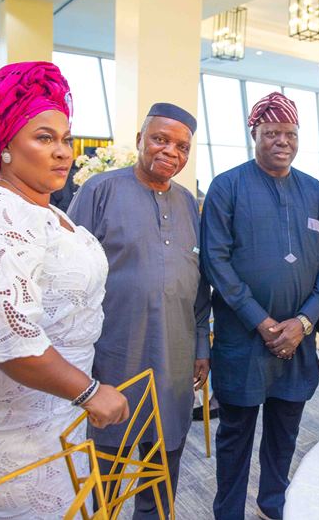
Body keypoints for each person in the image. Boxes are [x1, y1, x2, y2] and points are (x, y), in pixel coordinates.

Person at [0, 61, 129, 518]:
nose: (62, 152)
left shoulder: (49, 211)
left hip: (49, 407)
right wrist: (90, 392)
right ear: (6, 146)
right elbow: (10, 340)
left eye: (65, 139)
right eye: (44, 137)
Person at [201, 91, 319, 520]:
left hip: (297, 342)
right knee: (235, 435)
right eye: (272, 133)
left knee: (285, 434)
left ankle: (273, 506)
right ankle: (228, 513)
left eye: (290, 133)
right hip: (243, 341)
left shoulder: (316, 193)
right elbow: (216, 260)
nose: (282, 141)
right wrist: (261, 322)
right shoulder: (227, 187)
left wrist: (303, 321)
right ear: (254, 134)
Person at [68, 102, 210, 518]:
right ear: (139, 141)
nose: (170, 152)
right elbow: (69, 272)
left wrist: (202, 344)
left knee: (164, 465)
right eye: (160, 139)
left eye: (181, 146)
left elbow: (201, 283)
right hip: (114, 353)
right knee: (107, 468)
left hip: (175, 356)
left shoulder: (189, 203)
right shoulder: (100, 190)